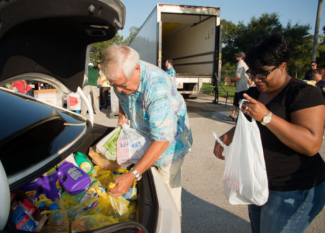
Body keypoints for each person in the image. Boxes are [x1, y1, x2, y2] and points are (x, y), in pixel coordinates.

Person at [213, 33, 325, 233]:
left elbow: (311, 144)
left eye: (262, 73)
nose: (255, 80)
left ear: (282, 66)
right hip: (258, 182)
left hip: (293, 188)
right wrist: (229, 135)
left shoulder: (304, 93)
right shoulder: (255, 93)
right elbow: (248, 123)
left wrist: (267, 117)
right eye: (252, 73)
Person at [100, 45, 193, 217]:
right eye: (113, 85)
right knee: (150, 190)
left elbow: (163, 140)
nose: (118, 90)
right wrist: (122, 116)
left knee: (166, 203)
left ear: (137, 69)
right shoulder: (122, 75)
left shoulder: (156, 89)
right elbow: (122, 96)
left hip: (168, 148)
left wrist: (132, 175)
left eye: (121, 85)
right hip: (144, 139)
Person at [228, 51, 249, 121]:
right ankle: (232, 115)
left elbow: (238, 76)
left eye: (237, 56)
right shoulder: (243, 64)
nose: (236, 57)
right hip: (240, 87)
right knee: (235, 102)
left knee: (241, 103)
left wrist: (231, 80)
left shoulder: (240, 65)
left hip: (242, 87)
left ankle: (240, 118)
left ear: (240, 57)